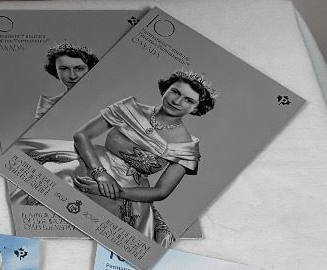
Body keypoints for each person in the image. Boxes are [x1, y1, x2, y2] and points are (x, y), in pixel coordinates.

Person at [22, 70, 215, 248]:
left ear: (196, 108)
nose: (177, 101)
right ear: (166, 89)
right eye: (175, 92)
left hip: (128, 191)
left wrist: (114, 191)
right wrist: (100, 174)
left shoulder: (188, 146)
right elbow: (82, 136)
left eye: (188, 100)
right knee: (55, 174)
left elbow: (161, 191)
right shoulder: (129, 108)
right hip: (93, 162)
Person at [36, 42, 98, 119]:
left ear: (90, 69)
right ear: (56, 72)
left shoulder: (106, 93)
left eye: (79, 69)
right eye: (64, 69)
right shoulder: (48, 106)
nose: (72, 76)